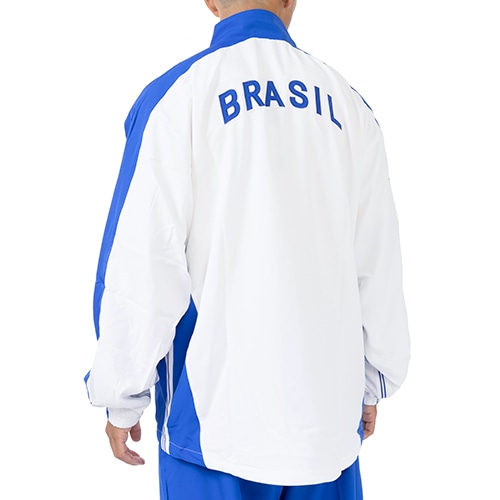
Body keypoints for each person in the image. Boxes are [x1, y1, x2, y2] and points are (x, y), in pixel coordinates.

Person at [85, 1, 410, 498]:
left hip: (215, 432)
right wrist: (372, 381)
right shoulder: (349, 105)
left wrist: (120, 396)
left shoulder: (178, 97)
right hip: (327, 434)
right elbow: (378, 262)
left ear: (210, 0)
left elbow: (141, 263)